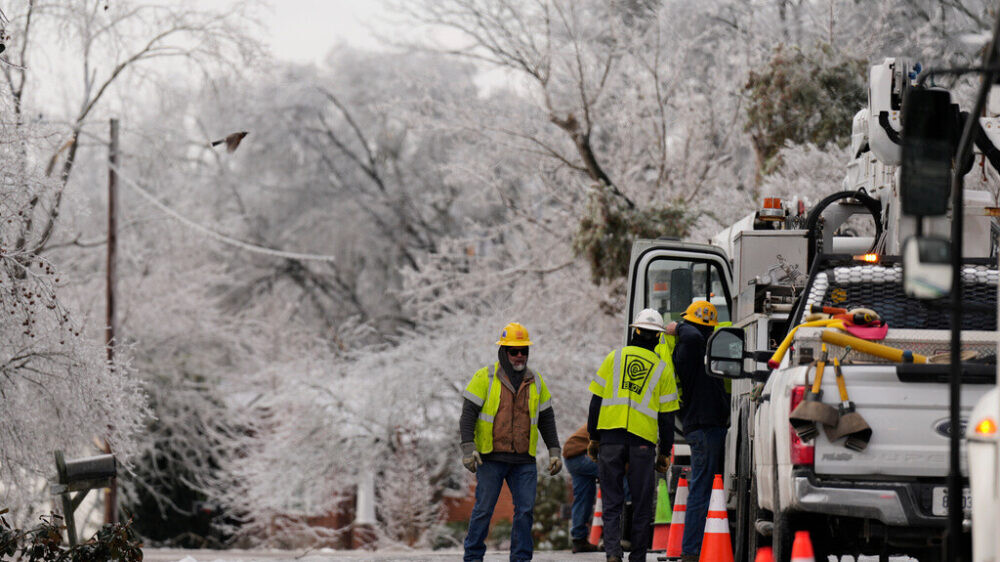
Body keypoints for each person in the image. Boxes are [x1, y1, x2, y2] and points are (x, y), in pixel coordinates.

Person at [460, 322, 562, 562]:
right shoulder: (484, 377)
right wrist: (468, 448)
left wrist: (554, 451)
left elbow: (547, 418)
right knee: (484, 510)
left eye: (523, 350)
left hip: (524, 460)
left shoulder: (536, 381)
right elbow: (468, 415)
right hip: (491, 458)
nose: (519, 356)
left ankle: (521, 558)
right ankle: (472, 557)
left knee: (525, 511)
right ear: (503, 352)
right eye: (514, 351)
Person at [587, 309, 679, 562]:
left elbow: (596, 402)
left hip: (610, 439)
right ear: (658, 337)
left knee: (611, 500)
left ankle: (613, 552)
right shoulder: (662, 369)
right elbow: (667, 417)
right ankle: (637, 556)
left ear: (635, 331)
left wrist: (594, 437)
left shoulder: (613, 358)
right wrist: (664, 452)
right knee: (641, 502)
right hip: (642, 443)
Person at [672, 301, 729, 562]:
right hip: (704, 427)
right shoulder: (691, 345)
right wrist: (679, 327)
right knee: (701, 489)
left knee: (706, 488)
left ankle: (696, 547)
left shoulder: (700, 350)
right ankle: (692, 550)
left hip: (707, 426)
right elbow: (693, 336)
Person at [562, 425, 601, 553]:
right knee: (615, 474)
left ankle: (579, 539)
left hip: (572, 457)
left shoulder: (597, 420)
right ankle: (616, 536)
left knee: (583, 497)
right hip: (581, 454)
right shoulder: (611, 423)